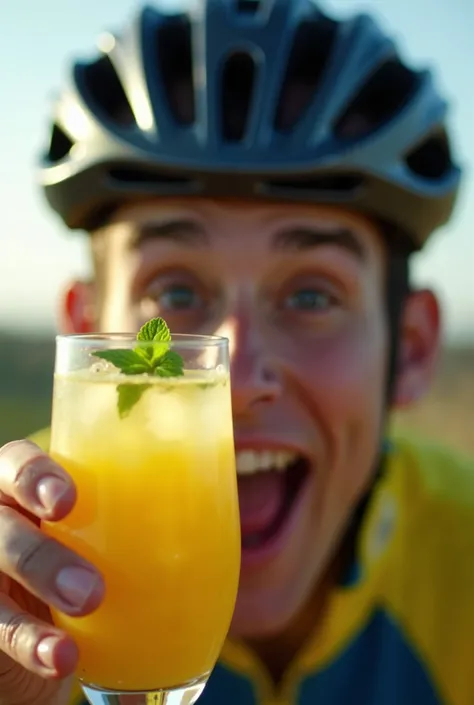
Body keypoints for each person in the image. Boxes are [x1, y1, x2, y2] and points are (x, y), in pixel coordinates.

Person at [0, 0, 472, 703]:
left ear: (410, 347)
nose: (236, 378)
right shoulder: (22, 584)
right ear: (90, 326)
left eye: (312, 296)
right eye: (176, 289)